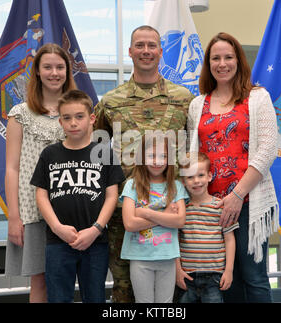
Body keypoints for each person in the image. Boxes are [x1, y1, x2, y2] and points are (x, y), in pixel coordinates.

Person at [94, 25, 193, 302]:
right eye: (140, 45)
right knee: (124, 289)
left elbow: (196, 149)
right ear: (130, 51)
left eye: (152, 45)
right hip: (125, 214)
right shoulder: (111, 101)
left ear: (161, 51)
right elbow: (97, 151)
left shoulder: (184, 99)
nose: (146, 51)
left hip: (173, 209)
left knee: (173, 289)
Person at [187, 32, 279, 303]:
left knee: (254, 277)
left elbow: (268, 150)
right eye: (216, 58)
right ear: (208, 63)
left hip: (249, 201)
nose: (222, 63)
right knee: (227, 280)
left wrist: (237, 196)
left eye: (228, 57)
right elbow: (194, 156)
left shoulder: (257, 97)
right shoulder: (197, 104)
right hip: (209, 208)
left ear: (239, 61)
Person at [30, 89, 125, 303]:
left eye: (79, 116)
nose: (73, 123)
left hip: (95, 241)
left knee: (95, 298)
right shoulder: (50, 154)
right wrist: (57, 227)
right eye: (67, 118)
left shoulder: (105, 153)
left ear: (92, 119)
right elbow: (42, 195)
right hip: (58, 241)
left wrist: (96, 229)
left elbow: (112, 196)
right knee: (58, 298)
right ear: (60, 122)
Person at [4, 43, 76, 302]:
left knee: (66, 280)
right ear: (37, 72)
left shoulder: (76, 115)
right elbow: (12, 169)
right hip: (33, 213)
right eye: (47, 67)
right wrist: (14, 216)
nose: (54, 73)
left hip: (71, 211)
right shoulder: (20, 115)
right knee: (40, 280)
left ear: (68, 71)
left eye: (60, 67)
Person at [120, 133, 187, 303]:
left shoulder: (176, 186)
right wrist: (165, 216)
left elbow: (179, 221)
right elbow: (129, 223)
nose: (156, 161)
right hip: (140, 257)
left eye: (162, 156)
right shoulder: (132, 185)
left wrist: (144, 212)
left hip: (167, 257)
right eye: (151, 156)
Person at [176, 152, 238, 303]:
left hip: (214, 278)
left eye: (201, 175)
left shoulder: (220, 207)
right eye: (190, 177)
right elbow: (175, 240)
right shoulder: (181, 209)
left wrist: (229, 270)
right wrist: (177, 270)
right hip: (187, 277)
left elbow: (229, 239)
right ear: (183, 181)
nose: (196, 181)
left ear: (209, 176)